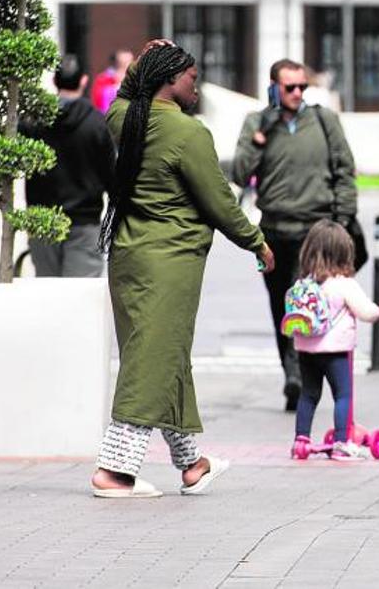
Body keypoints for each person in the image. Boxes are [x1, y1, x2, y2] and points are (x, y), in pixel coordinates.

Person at [91, 41, 274, 499]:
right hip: (170, 261)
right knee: (152, 359)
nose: (197, 85)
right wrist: (257, 242)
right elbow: (220, 202)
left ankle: (192, 464)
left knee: (162, 352)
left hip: (128, 256)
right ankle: (115, 470)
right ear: (171, 80)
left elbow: (124, 97)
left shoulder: (124, 119)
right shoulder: (189, 135)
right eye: (192, 77)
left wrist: (138, 67)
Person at [233, 58, 358, 412]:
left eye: (302, 86)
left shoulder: (323, 120)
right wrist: (260, 137)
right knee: (281, 306)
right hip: (273, 229)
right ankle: (293, 372)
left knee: (307, 303)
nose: (298, 93)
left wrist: (343, 221)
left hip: (314, 230)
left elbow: (345, 171)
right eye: (290, 87)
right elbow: (240, 173)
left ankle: (303, 377)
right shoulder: (257, 123)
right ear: (273, 88)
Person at [289, 220, 379, 459]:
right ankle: (342, 441)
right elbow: (365, 311)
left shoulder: (304, 284)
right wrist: (378, 311)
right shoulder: (344, 284)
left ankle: (301, 440)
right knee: (342, 395)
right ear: (344, 252)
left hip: (305, 349)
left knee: (309, 394)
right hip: (336, 352)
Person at [21, 54, 116, 278]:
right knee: (80, 300)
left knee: (48, 298)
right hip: (84, 222)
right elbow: (111, 177)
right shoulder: (96, 123)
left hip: (41, 221)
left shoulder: (33, 122)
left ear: (54, 81)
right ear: (84, 80)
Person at [89, 48, 134, 114]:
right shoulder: (103, 79)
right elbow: (97, 102)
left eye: (130, 62)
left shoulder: (136, 78)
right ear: (116, 64)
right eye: (124, 64)